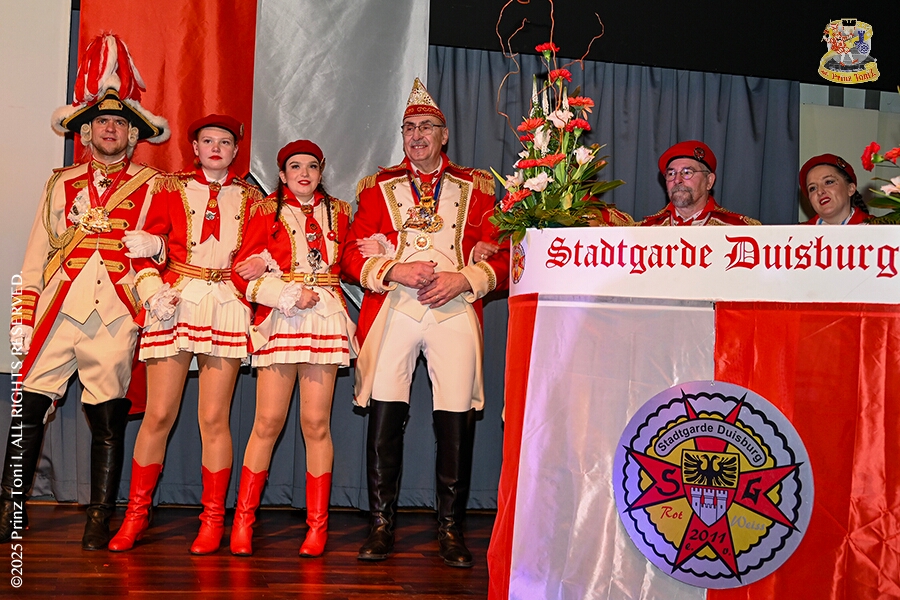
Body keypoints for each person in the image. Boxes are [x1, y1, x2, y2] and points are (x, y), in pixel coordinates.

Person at [2, 34, 168, 550]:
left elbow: (169, 245)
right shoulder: (61, 182)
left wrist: (159, 246)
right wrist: (23, 315)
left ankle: (100, 515)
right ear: (87, 131)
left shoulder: (153, 184)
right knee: (27, 408)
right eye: (101, 122)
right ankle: (11, 508)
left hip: (116, 312)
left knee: (108, 418)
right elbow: (36, 253)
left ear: (132, 134)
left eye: (118, 122)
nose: (109, 128)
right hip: (58, 309)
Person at [341, 78, 509, 568]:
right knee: (384, 414)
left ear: (444, 134)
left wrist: (465, 278)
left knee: (456, 416)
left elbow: (506, 256)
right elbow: (349, 256)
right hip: (395, 308)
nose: (417, 135)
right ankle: (381, 525)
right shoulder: (376, 188)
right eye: (409, 127)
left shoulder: (477, 187)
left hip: (453, 310)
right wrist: (394, 270)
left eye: (426, 127)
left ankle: (451, 529)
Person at [108, 114, 264, 554]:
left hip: (226, 304)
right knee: (159, 414)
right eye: (207, 140)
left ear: (236, 150)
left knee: (213, 418)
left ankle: (212, 520)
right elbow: (143, 248)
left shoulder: (253, 199)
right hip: (176, 299)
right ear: (194, 148)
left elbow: (257, 255)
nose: (216, 148)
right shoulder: (169, 188)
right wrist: (152, 292)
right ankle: (135, 514)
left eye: (225, 142)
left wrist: (259, 267)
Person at [228, 140, 355, 557]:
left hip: (325, 317)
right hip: (282, 318)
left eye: (312, 166)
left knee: (316, 423)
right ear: (282, 174)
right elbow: (242, 275)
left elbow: (351, 262)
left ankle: (317, 527)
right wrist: (281, 291)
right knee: (267, 421)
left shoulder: (340, 211)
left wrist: (380, 249)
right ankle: (243, 521)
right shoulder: (264, 211)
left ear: (321, 172)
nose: (304, 173)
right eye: (295, 167)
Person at [639, 140, 761, 226]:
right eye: (671, 173)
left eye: (687, 172)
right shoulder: (646, 231)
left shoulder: (740, 229)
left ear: (709, 181)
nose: (677, 180)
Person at [799, 153, 869, 224]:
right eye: (812, 188)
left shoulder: (873, 227)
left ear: (850, 189)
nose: (820, 191)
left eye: (828, 182)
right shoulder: (799, 230)